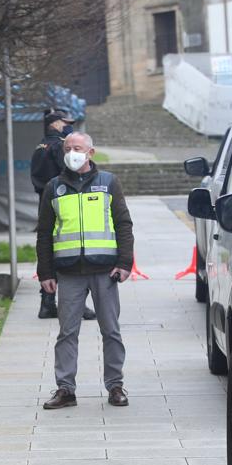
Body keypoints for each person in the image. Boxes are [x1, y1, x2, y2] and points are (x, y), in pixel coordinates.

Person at [36, 133, 134, 409]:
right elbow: (44, 233)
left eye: (77, 148)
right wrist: (45, 272)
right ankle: (65, 390)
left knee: (111, 331)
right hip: (68, 273)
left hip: (105, 270)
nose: (71, 152)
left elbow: (123, 223)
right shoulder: (54, 187)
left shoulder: (108, 183)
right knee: (67, 333)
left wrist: (125, 263)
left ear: (90, 152)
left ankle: (115, 386)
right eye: (67, 148)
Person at [31, 108, 95, 321]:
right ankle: (78, 305)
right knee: (72, 253)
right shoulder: (59, 146)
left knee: (48, 250)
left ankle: (46, 303)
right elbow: (69, 171)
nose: (68, 126)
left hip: (45, 201)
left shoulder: (41, 144)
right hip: (64, 201)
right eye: (64, 123)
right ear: (55, 124)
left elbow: (36, 177)